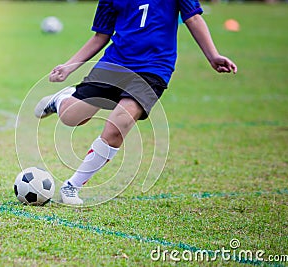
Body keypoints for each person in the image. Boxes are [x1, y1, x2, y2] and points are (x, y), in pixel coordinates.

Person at [35, 0, 237, 205]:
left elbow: (193, 17)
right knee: (72, 117)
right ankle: (61, 99)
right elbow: (101, 36)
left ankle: (72, 186)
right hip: (115, 62)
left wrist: (213, 55)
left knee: (118, 125)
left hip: (154, 68)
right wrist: (70, 67)